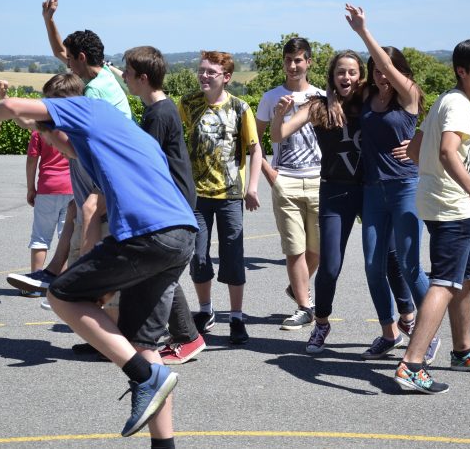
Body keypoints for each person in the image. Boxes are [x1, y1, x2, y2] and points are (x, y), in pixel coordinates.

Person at [0, 83, 197, 446]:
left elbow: (11, 105)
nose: (52, 137)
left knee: (60, 294)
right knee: (144, 347)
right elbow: (66, 146)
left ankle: (142, 376)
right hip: (180, 236)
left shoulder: (89, 109)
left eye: (50, 120)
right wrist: (41, 128)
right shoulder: (119, 139)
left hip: (147, 235)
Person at [395, 40, 470, 394]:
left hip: (435, 202)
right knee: (444, 283)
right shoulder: (458, 104)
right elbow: (446, 151)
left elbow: (414, 149)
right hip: (453, 209)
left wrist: (435, 179)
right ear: (462, 71)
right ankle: (412, 363)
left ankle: (462, 350)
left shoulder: (445, 99)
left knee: (468, 276)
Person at [7, 0, 131, 305]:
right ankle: (55, 272)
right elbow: (60, 50)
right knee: (76, 215)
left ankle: (79, 283)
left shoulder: (94, 93)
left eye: (71, 59)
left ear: (82, 58)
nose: (68, 64)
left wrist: (35, 123)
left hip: (106, 173)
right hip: (98, 172)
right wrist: (49, 20)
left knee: (89, 224)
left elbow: (74, 146)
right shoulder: (96, 76)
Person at [346, 4, 440, 363]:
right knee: (373, 264)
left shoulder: (410, 95)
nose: (381, 75)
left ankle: (426, 334)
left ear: (399, 71)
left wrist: (362, 32)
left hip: (404, 187)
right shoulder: (368, 96)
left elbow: (386, 66)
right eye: (376, 71)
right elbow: (338, 90)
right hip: (374, 190)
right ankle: (390, 332)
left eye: (387, 69)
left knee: (409, 264)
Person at [271, 49, 367, 353]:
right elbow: (278, 135)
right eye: (340, 71)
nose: (346, 77)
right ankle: (321, 323)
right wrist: (277, 115)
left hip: (368, 190)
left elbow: (405, 106)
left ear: (361, 76)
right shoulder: (318, 106)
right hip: (334, 190)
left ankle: (398, 326)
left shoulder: (369, 103)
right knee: (329, 265)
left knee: (383, 262)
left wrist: (410, 144)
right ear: (331, 76)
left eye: (352, 72)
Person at [121, 45, 205, 365]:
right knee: (161, 271)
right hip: (175, 199)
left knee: (160, 272)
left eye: (128, 73)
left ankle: (186, 336)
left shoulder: (158, 113)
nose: (125, 77)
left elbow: (147, 165)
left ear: (143, 78)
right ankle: (186, 335)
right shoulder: (160, 108)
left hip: (173, 202)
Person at [179, 50, 262, 345]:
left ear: (225, 78)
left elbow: (255, 149)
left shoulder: (240, 108)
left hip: (230, 195)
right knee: (198, 256)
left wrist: (252, 187)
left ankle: (237, 317)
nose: (203, 76)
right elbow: (175, 144)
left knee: (232, 256)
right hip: (197, 195)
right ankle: (205, 311)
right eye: (201, 70)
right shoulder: (188, 104)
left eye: (210, 72)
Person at [255, 37, 322, 330]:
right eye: (288, 60)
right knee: (294, 248)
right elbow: (254, 139)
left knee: (318, 250)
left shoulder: (322, 96)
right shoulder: (271, 97)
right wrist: (269, 173)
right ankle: (304, 306)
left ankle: (298, 286)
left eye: (298, 60)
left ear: (308, 62)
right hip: (286, 180)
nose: (293, 66)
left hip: (320, 180)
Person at [0, 80, 73, 298]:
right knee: (65, 237)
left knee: (40, 236)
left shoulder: (40, 128)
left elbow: (32, 160)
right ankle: (60, 285)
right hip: (71, 187)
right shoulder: (72, 125)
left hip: (48, 186)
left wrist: (31, 187)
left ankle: (34, 283)